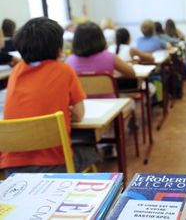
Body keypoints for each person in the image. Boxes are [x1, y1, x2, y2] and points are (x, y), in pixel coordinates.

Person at [0, 17, 98, 175]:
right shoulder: (64, 71)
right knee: (90, 152)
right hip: (56, 166)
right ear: (58, 48)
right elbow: (79, 115)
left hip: (12, 169)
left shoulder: (15, 72)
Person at [67, 22, 135, 79]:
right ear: (101, 38)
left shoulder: (69, 61)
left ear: (76, 40)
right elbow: (132, 74)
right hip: (109, 95)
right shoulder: (110, 57)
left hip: (82, 95)